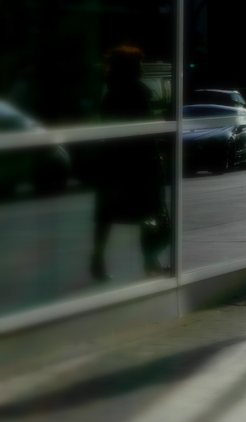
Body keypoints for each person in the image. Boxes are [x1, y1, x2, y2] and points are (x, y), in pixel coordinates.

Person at [91, 46, 169, 281]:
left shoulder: (111, 91)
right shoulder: (134, 92)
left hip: (115, 161)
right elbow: (145, 130)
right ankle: (149, 261)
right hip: (137, 163)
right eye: (138, 65)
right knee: (150, 212)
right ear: (129, 68)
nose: (142, 69)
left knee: (108, 216)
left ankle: (99, 262)